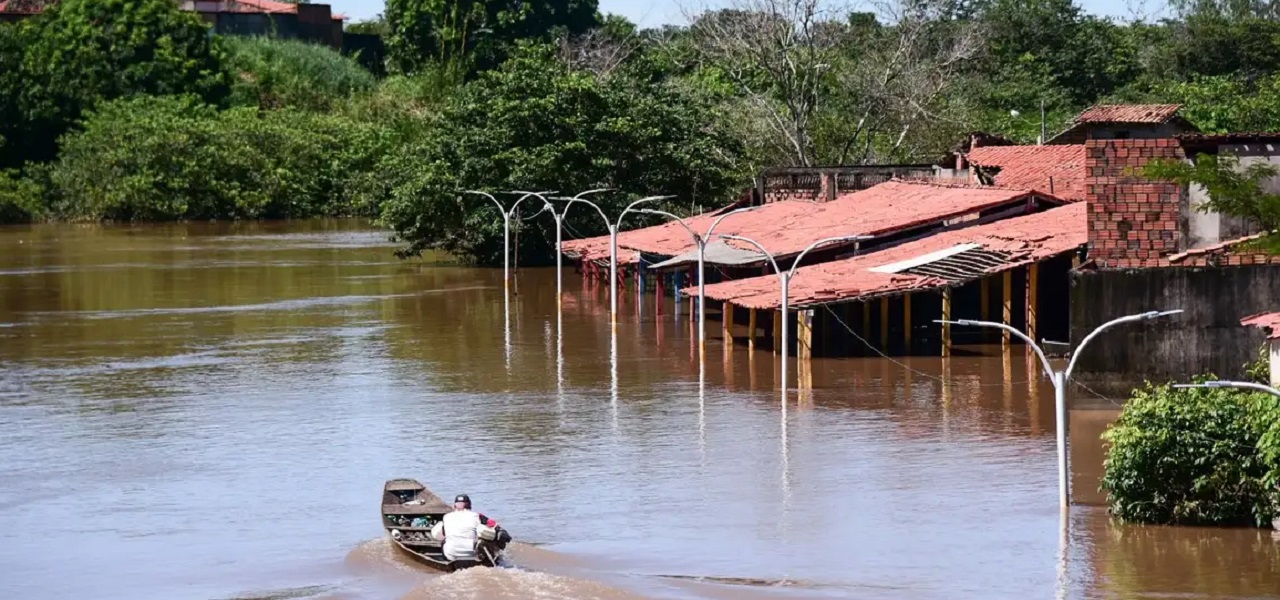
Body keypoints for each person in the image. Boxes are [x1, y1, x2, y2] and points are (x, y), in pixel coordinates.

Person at [430, 494, 498, 561]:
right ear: (469, 505)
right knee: (488, 537)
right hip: (472, 553)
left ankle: (446, 560)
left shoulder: (446, 517)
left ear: (455, 505)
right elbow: (494, 525)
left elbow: (439, 535)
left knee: (444, 540)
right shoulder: (477, 515)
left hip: (451, 554)